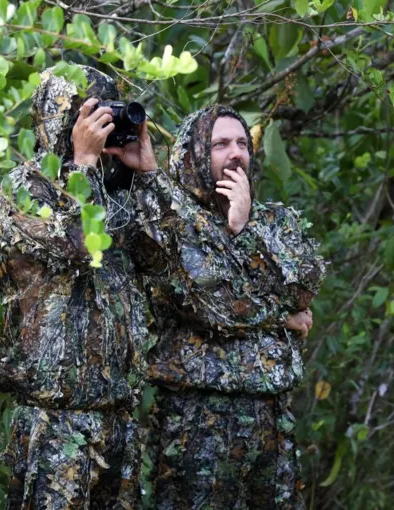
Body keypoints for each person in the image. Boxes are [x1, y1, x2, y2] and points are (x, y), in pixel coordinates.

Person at [109, 105, 326, 509]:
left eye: (243, 143)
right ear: (194, 154)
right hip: (200, 417)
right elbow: (212, 302)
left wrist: (244, 227)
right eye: (221, 144)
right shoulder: (172, 222)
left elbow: (304, 288)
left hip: (272, 414)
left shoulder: (273, 221)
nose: (236, 152)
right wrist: (280, 317)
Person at [0, 65, 153, 510]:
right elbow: (81, 245)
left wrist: (149, 176)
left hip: (117, 416)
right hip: (54, 420)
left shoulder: (117, 192)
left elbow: (173, 266)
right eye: (90, 116)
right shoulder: (26, 189)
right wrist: (80, 165)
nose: (104, 126)